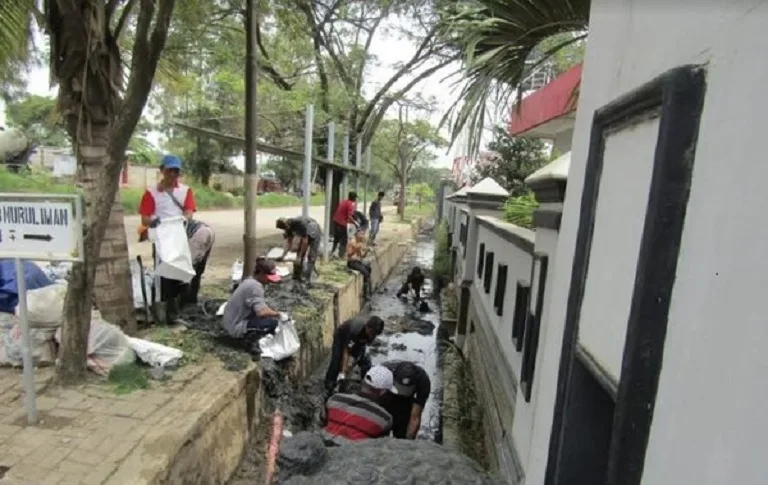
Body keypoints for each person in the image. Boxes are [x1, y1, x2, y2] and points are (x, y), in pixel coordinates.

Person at [138, 154, 197, 320]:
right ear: (162, 170)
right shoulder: (151, 193)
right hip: (161, 237)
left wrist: (181, 219)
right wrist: (154, 221)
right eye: (170, 170)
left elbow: (189, 212)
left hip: (178, 235)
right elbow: (145, 218)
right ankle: (164, 306)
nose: (173, 174)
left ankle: (177, 306)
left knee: (181, 268)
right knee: (163, 271)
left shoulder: (185, 191)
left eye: (176, 171)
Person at [221, 258, 286, 354]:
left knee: (270, 317)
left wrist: (271, 311)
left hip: (229, 323)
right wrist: (278, 314)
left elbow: (261, 305)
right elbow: (261, 312)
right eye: (267, 277)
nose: (269, 281)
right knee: (274, 324)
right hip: (235, 327)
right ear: (260, 273)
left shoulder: (249, 281)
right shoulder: (255, 287)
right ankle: (250, 343)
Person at [322, 365, 395, 446]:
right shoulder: (385, 419)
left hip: (323, 447)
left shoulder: (334, 399)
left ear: (363, 381)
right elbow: (378, 445)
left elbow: (324, 422)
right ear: (383, 393)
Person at [324, 315, 385, 396]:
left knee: (365, 362)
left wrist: (355, 359)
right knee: (336, 361)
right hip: (341, 337)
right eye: (371, 333)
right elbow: (346, 351)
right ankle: (329, 385)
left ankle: (365, 384)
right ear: (367, 326)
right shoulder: (355, 329)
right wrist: (342, 372)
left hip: (358, 340)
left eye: (374, 335)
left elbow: (362, 347)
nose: (371, 336)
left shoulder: (372, 332)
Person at [381, 360, 431, 439]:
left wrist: (407, 443)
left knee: (403, 431)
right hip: (388, 393)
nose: (402, 392)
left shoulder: (423, 381)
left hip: (407, 401)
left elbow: (415, 416)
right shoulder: (384, 372)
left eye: (406, 390)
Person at [179, 220, 215, 306]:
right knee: (198, 269)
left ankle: (186, 301)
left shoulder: (165, 232)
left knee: (187, 269)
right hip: (209, 231)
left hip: (198, 235)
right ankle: (192, 298)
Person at [275, 216, 321, 282]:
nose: (284, 230)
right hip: (306, 233)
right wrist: (283, 256)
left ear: (286, 225)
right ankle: (298, 275)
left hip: (314, 229)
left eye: (284, 229)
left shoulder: (300, 224)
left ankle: (307, 277)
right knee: (299, 253)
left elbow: (305, 242)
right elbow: (289, 241)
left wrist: (299, 257)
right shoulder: (288, 227)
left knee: (311, 256)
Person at [331, 191, 358, 257]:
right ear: (354, 198)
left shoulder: (344, 202)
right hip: (341, 223)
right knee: (344, 239)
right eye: (355, 198)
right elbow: (349, 216)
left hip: (335, 221)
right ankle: (341, 255)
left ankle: (333, 252)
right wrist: (356, 223)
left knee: (336, 238)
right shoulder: (350, 204)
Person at [346, 229, 372, 299]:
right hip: (351, 262)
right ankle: (365, 294)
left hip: (357, 261)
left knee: (368, 267)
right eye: (361, 234)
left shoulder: (359, 242)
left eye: (363, 234)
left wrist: (367, 251)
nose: (362, 236)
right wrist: (356, 249)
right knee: (365, 272)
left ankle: (369, 289)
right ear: (357, 234)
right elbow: (349, 255)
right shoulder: (352, 242)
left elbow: (362, 256)